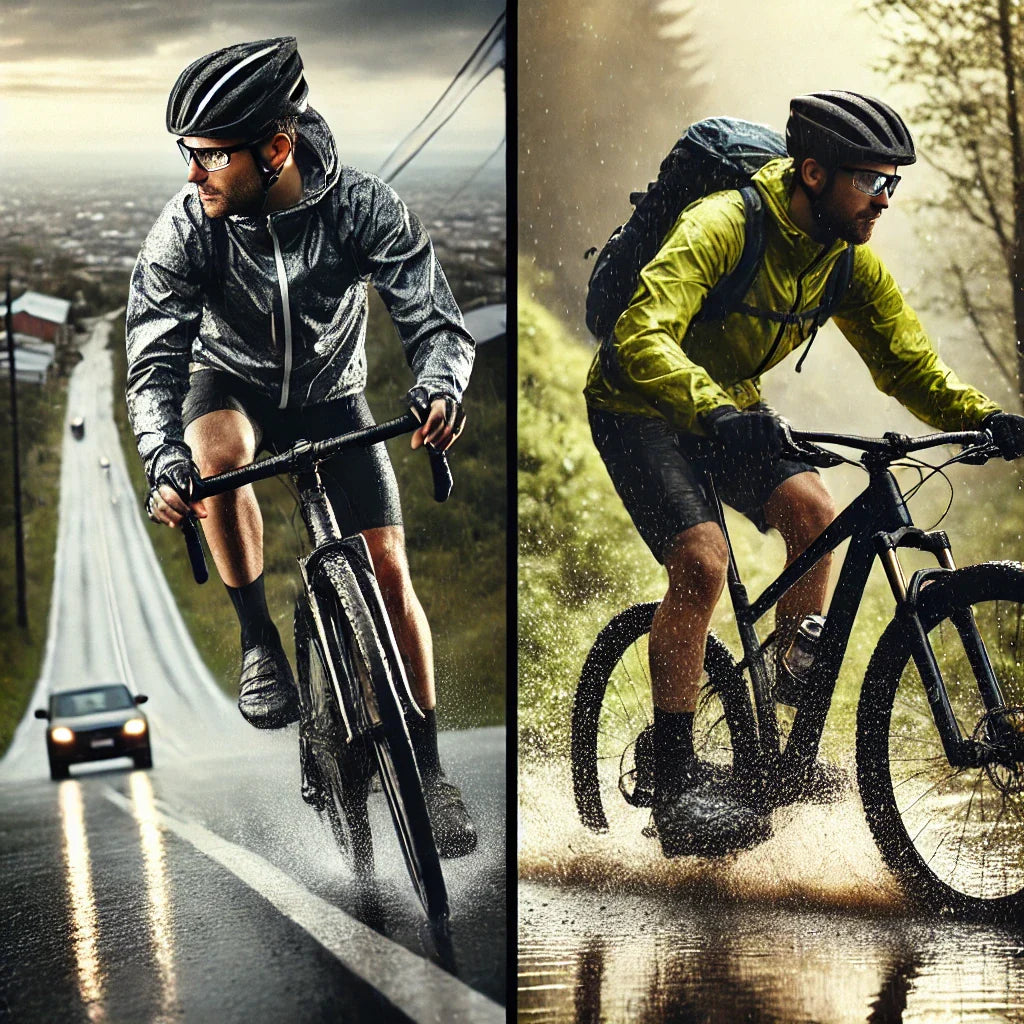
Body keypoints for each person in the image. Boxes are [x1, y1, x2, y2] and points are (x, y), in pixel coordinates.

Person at [583, 90, 1024, 859]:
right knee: (701, 561)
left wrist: (982, 416)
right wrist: (712, 412)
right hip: (640, 400)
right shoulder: (723, 225)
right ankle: (679, 778)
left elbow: (906, 364)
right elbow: (641, 332)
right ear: (813, 173)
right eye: (871, 181)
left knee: (816, 511)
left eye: (893, 183)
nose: (884, 199)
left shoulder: (844, 263)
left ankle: (777, 733)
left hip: (733, 406)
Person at [126, 37, 478, 857]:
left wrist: (440, 387)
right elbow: (154, 360)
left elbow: (434, 319)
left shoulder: (360, 206)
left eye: (208, 157)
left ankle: (428, 773)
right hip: (231, 388)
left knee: (390, 572)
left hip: (332, 398)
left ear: (274, 148)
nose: (192, 175)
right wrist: (161, 457)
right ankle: (259, 642)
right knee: (215, 453)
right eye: (188, 156)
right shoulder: (188, 229)